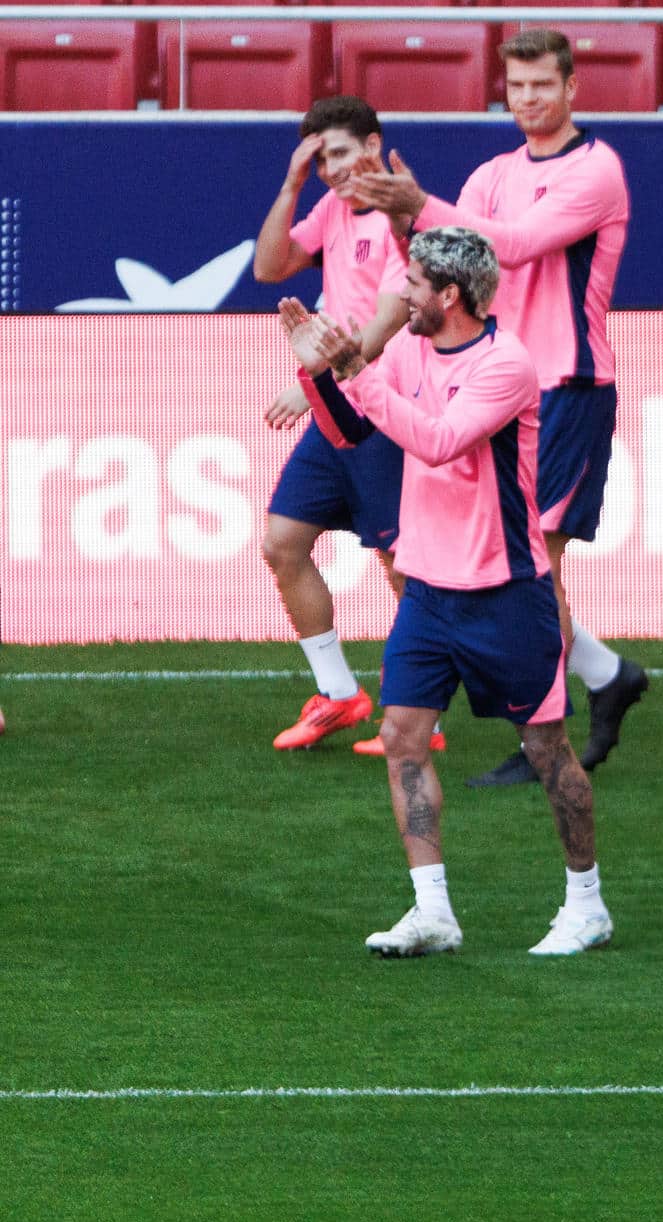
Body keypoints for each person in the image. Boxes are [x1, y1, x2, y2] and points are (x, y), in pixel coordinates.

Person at [281, 226, 612, 958]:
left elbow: (437, 439)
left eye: (414, 286)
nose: (401, 296)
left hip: (506, 593)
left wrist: (351, 367)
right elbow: (355, 432)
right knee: (402, 737)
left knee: (547, 747)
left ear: (450, 295)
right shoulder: (407, 351)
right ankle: (433, 910)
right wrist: (318, 377)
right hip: (428, 592)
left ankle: (586, 903)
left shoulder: (506, 366)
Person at [348, 28, 647, 788]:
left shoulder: (597, 170)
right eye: (516, 87)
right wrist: (406, 222)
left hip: (570, 387)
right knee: (525, 569)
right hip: (501, 391)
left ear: (572, 88)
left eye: (542, 85)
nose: (528, 99)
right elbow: (454, 253)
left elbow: (512, 246)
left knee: (533, 566)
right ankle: (607, 677)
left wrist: (423, 205)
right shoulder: (489, 173)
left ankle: (546, 732)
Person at [254, 95, 419, 754]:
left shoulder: (404, 220)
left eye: (342, 153)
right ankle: (340, 694)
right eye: (321, 160)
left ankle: (412, 713)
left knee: (402, 566)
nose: (332, 169)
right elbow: (269, 267)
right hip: (338, 404)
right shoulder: (330, 208)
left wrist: (318, 378)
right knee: (282, 543)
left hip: (385, 408)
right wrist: (292, 184)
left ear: (375, 145)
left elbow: (385, 322)